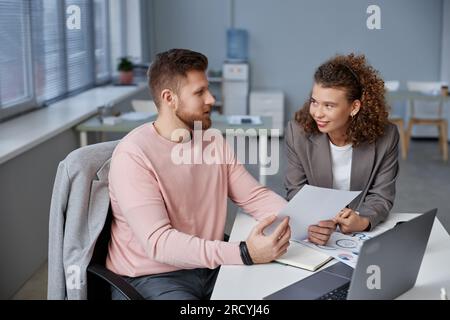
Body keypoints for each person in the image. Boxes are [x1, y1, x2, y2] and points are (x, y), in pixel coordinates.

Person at [106, 48, 290, 300]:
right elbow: (159, 243)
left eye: (208, 90)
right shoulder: (133, 155)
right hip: (152, 277)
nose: (212, 99)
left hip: (208, 266)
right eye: (199, 92)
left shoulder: (212, 141)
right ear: (169, 98)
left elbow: (254, 197)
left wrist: (304, 221)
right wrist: (245, 253)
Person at [285, 53, 399, 246]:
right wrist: (316, 224)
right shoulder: (297, 132)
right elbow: (295, 189)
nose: (317, 113)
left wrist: (362, 220)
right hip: (316, 235)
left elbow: (382, 194)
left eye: (329, 105)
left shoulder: (386, 136)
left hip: (358, 239)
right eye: (314, 102)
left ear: (354, 107)